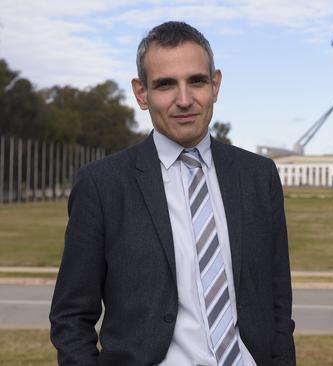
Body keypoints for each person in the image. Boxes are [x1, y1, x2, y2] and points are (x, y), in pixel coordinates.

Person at [50, 21, 295, 365]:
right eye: (165, 85)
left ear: (216, 84)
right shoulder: (102, 185)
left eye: (196, 81)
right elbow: (71, 317)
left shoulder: (258, 175)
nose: (184, 100)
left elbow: (278, 302)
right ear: (141, 93)